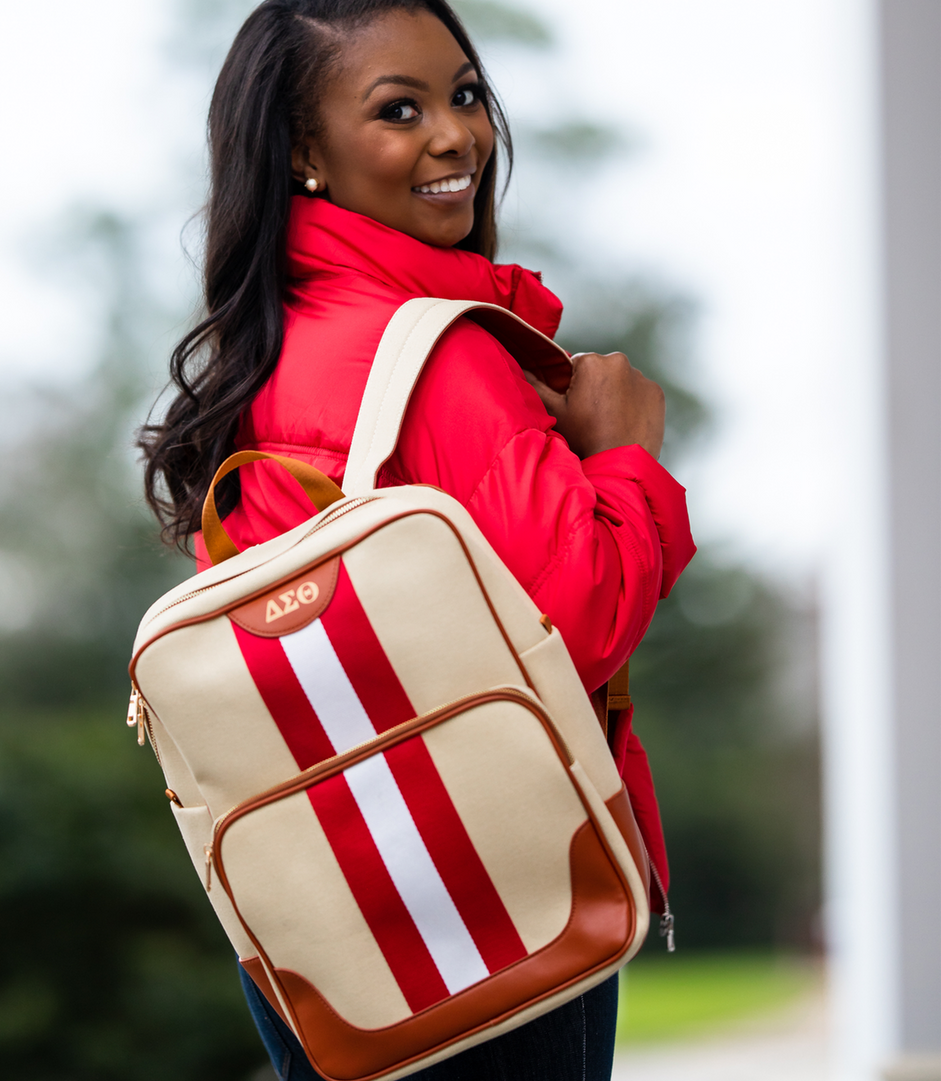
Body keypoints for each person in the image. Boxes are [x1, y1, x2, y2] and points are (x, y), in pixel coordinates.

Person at [139, 1, 695, 1077]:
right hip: (494, 915)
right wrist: (626, 457)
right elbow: (578, 623)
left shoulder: (270, 356)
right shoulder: (438, 360)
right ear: (302, 151)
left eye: (466, 94)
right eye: (399, 110)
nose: (456, 136)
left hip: (327, 936)